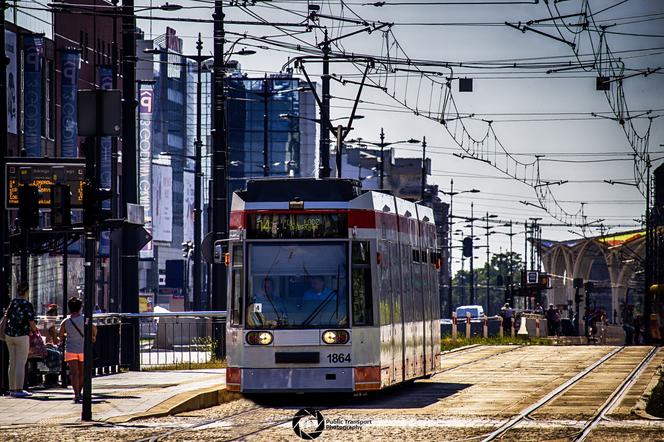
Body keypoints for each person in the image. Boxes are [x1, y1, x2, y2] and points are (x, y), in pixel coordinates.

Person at [59, 297, 97, 403]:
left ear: (69, 308)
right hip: (83, 349)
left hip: (71, 349)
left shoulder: (66, 321)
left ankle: (75, 394)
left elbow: (60, 336)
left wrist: (67, 335)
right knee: (82, 373)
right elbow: (94, 328)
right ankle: (79, 392)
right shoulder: (85, 319)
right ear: (80, 308)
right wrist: (93, 337)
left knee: (73, 373)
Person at [4, 283, 38, 398]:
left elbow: (7, 316)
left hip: (9, 335)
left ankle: (11, 389)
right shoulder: (27, 304)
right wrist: (34, 330)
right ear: (27, 292)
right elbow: (31, 322)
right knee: (20, 362)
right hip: (22, 335)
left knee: (12, 362)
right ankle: (19, 389)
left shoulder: (13, 302)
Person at [39, 304, 62, 385]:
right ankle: (53, 378)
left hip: (39, 346)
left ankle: (49, 378)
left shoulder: (41, 321)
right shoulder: (51, 325)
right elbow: (55, 341)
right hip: (47, 347)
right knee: (59, 353)